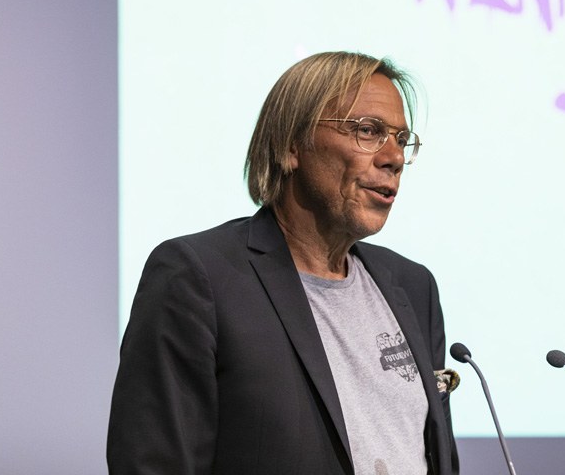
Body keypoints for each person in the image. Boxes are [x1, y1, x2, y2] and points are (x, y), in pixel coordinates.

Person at [107, 52, 459, 475]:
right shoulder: (197, 278)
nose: (394, 157)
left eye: (401, 140)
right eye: (368, 131)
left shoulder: (413, 286)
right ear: (292, 145)